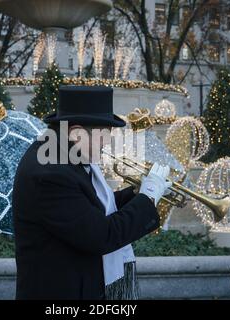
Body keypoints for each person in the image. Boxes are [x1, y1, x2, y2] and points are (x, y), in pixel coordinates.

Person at [12, 86, 171, 300]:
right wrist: (148, 196)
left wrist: (136, 193)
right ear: (77, 133)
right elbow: (101, 235)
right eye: (103, 137)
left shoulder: (62, 155)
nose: (106, 144)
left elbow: (87, 209)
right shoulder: (51, 172)